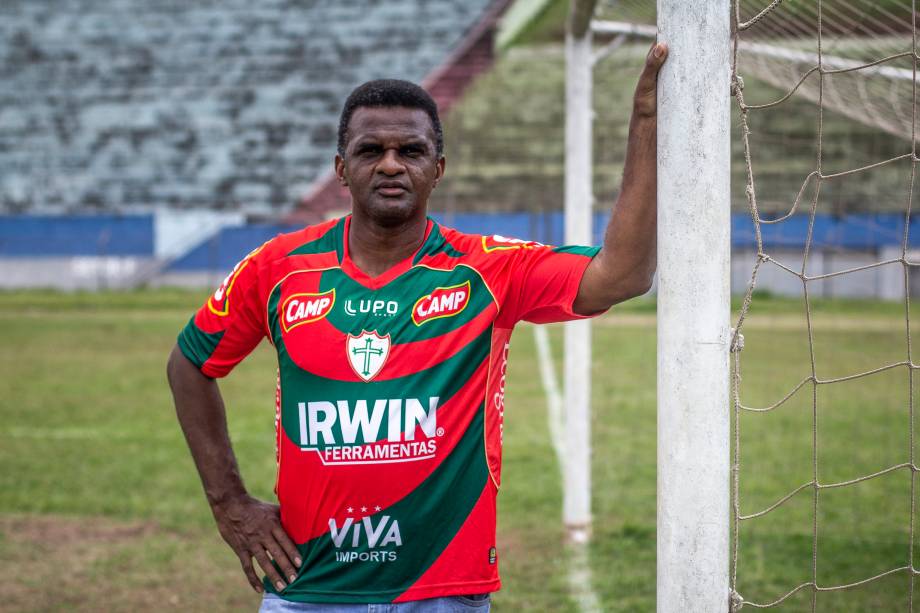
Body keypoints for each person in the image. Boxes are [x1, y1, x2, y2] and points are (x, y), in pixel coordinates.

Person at [167, 42, 668, 612]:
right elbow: (189, 363)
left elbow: (622, 274)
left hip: (442, 592)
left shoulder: (486, 269)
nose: (390, 164)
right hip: (310, 588)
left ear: (438, 168)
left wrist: (645, 121)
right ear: (340, 168)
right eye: (369, 150)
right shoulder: (280, 267)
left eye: (411, 150)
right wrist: (228, 502)